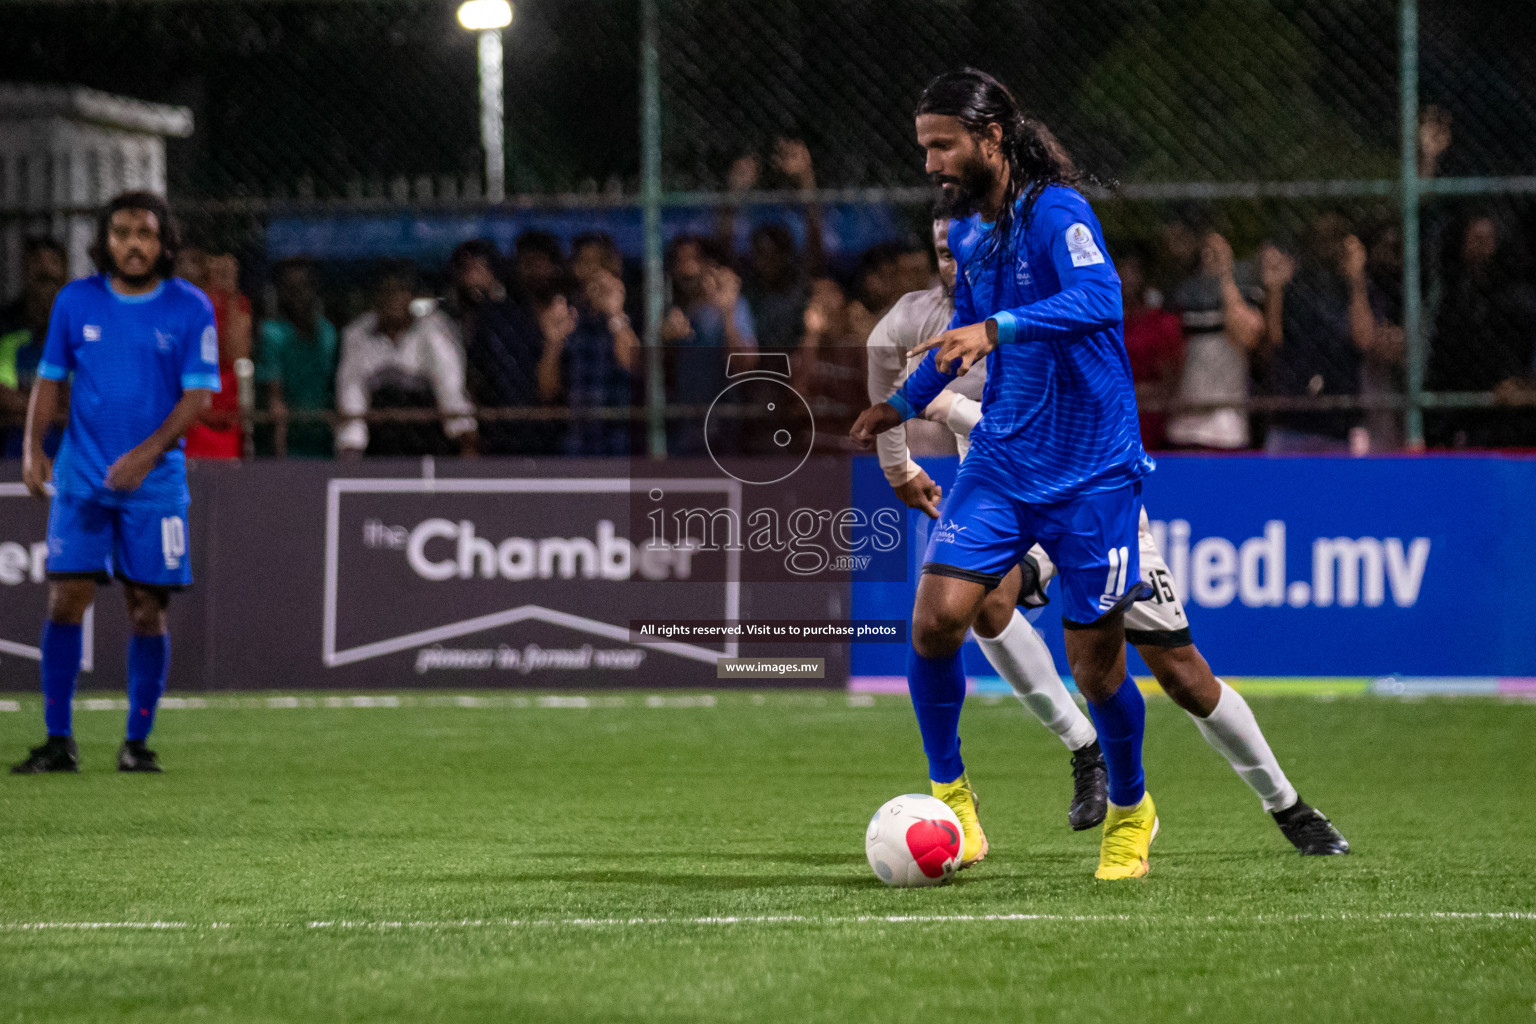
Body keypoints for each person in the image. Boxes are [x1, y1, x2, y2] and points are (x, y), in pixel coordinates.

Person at [870, 213, 1348, 857]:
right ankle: (1081, 749)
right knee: (974, 605)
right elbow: (888, 370)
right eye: (943, 251)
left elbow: (1054, 419)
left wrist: (949, 406)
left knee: (1181, 675)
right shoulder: (919, 320)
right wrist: (899, 465)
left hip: (1092, 497)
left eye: (971, 249)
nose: (957, 264)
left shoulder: (1045, 308)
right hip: (1007, 501)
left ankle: (1287, 805)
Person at [850, 69, 1156, 880]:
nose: (930, 163)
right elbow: (957, 342)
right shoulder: (978, 234)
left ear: (989, 139)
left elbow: (1100, 298)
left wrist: (1001, 326)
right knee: (936, 619)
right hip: (1005, 460)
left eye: (942, 144)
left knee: (1098, 666)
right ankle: (951, 799)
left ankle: (1131, 807)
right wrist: (897, 405)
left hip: (1092, 468)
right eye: (923, 147)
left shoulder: (1058, 213)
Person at [10, 191, 220, 774]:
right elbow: (49, 381)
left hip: (155, 484)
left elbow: (198, 396)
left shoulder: (190, 306)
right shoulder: (76, 301)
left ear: (163, 242)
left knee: (146, 609)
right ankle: (58, 741)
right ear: (105, 241)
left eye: (146, 234)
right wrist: (34, 449)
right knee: (64, 599)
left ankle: (136, 742)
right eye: (123, 232)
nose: (134, 243)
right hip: (81, 478)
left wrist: (145, 456)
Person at [335, 260, 478, 457]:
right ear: (374, 298)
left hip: (428, 436)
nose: (393, 298)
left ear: (411, 296)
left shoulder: (434, 329)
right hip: (380, 440)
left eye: (400, 290)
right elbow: (351, 393)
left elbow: (450, 387)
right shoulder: (357, 334)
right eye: (386, 291)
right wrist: (351, 446)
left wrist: (464, 436)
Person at [1425, 214, 1536, 448]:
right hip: (1468, 406)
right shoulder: (1453, 300)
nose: (1480, 247)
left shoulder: (1517, 297)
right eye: (1474, 239)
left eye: (1486, 239)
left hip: (1512, 411)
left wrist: (1523, 384)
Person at [1259, 212, 1366, 453]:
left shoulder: (1348, 286)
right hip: (1291, 417)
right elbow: (1273, 341)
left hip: (1338, 421)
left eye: (1333, 239)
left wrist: (1356, 278)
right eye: (1321, 238)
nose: (1326, 247)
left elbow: (1363, 339)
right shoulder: (1294, 285)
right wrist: (1274, 288)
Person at [661, 235, 757, 455]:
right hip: (682, 428)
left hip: (724, 426)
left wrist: (728, 312)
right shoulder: (671, 311)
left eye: (694, 260)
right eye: (680, 261)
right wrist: (666, 340)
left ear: (709, 266)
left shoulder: (734, 307)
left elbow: (745, 366)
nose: (687, 269)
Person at [257, 257, 338, 458]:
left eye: (303, 287)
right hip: (287, 444)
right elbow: (275, 399)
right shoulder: (272, 334)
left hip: (323, 439)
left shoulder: (327, 333)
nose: (298, 295)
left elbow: (334, 388)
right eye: (291, 288)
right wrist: (281, 458)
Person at [178, 249, 251, 459]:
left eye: (194, 260)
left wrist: (229, 294)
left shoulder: (235, 303)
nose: (187, 267)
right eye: (182, 261)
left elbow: (237, 354)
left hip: (222, 423)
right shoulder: (172, 305)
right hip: (182, 419)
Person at [1, 237, 70, 457]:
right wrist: (54, 412)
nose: (45, 268)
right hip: (13, 444)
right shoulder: (7, 327)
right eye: (37, 262)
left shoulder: (76, 328)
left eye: (52, 262)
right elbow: (4, 397)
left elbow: (78, 402)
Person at [1118, 249, 1184, 451]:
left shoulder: (1160, 323)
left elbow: (1170, 379)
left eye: (1133, 272)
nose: (1127, 278)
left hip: (1151, 416)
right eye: (1122, 271)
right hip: (1114, 412)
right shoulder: (1107, 324)